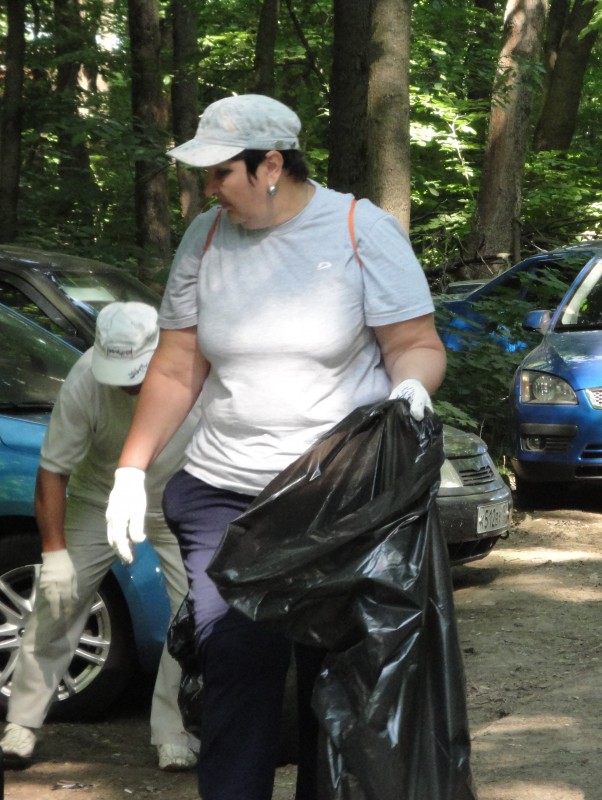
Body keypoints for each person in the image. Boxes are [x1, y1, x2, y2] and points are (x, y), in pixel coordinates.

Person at [105, 94, 447, 800]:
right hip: (225, 494)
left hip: (337, 499)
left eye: (220, 172)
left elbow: (414, 344)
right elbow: (175, 366)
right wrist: (130, 469)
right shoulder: (204, 239)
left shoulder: (359, 229)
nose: (208, 189)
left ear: (270, 165)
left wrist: (413, 386)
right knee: (233, 668)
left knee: (337, 685)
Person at [0, 302, 200, 773]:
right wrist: (54, 555)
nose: (126, 383)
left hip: (176, 497)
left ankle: (172, 729)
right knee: (58, 605)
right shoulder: (86, 378)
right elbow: (52, 471)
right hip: (98, 496)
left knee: (189, 614)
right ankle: (23, 723)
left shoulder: (196, 371)